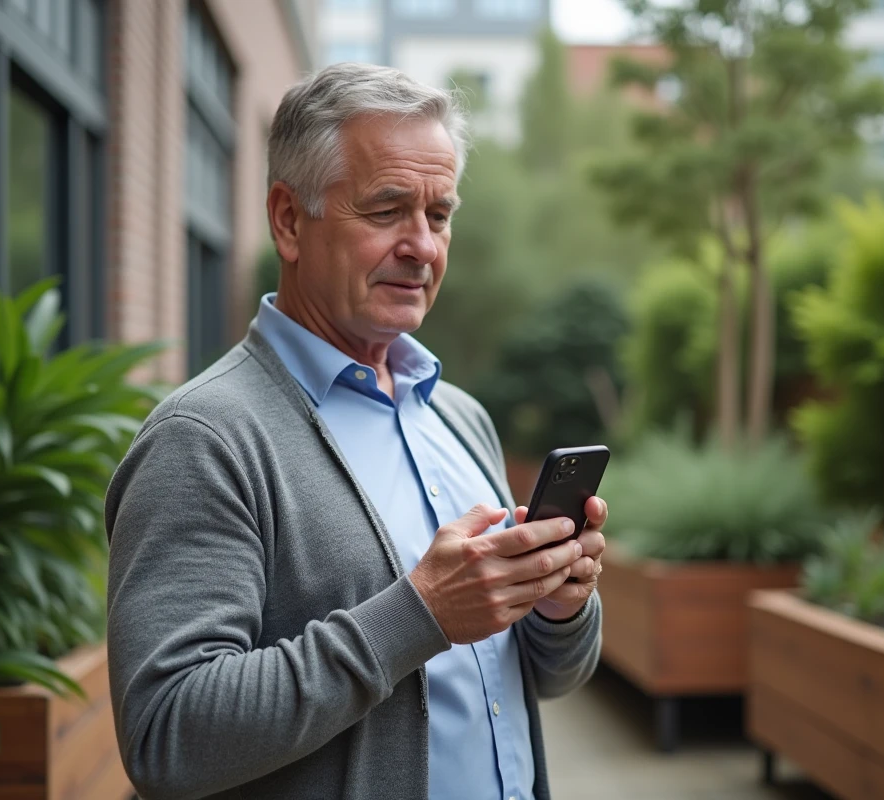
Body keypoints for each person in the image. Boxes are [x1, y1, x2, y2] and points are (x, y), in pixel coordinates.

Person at [104, 63, 606, 800]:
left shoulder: (460, 418)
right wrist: (421, 613)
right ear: (287, 220)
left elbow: (542, 679)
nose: (423, 247)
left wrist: (559, 604)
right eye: (386, 210)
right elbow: (167, 735)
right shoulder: (204, 438)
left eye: (438, 216)